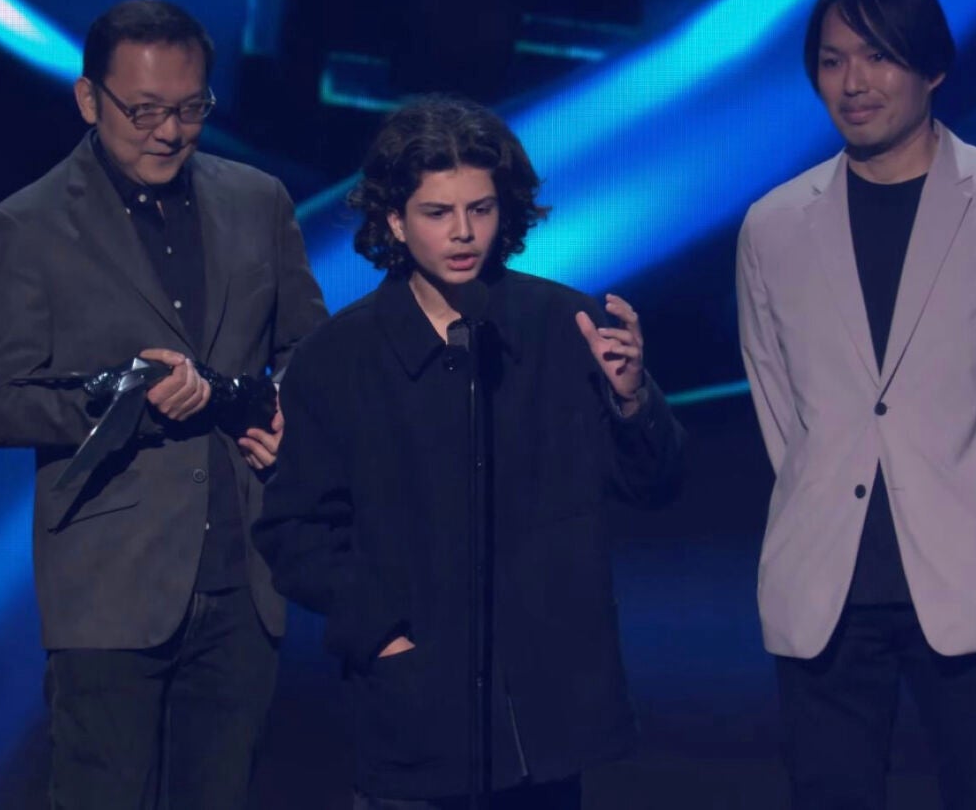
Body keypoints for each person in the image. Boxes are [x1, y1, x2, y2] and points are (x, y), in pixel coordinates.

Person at [735, 0, 976, 808]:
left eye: (878, 56)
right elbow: (779, 403)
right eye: (832, 60)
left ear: (932, 67)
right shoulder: (773, 225)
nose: (853, 83)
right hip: (824, 588)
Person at [254, 95, 685, 808]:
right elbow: (294, 532)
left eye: (480, 209)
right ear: (395, 220)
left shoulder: (565, 326)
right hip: (414, 722)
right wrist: (383, 632)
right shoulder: (339, 358)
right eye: (437, 212)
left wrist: (634, 399)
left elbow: (657, 484)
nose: (463, 232)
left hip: (545, 724)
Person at [0, 0, 328, 809]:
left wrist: (285, 415)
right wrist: (127, 397)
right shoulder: (25, 226)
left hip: (242, 576)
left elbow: (310, 349)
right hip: (111, 585)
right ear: (89, 100)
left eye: (190, 109)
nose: (169, 132)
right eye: (145, 111)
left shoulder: (258, 200)